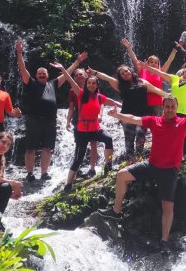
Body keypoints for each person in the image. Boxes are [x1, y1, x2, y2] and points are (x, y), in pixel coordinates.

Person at [102, 96, 186, 250]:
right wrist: (118, 115)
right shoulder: (154, 121)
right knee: (122, 175)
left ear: (176, 108)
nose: (170, 110)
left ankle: (164, 240)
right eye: (167, 107)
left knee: (167, 207)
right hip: (151, 165)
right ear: (163, 107)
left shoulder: (183, 123)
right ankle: (116, 211)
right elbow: (134, 119)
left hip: (169, 172)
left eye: (172, 107)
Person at [16, 40, 87, 182]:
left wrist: (77, 62)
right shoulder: (30, 84)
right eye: (39, 73)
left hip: (50, 120)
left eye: (44, 73)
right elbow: (23, 69)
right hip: (34, 119)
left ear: (47, 75)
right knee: (30, 148)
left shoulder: (53, 84)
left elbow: (68, 73)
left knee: (48, 148)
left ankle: (44, 173)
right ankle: (30, 173)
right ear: (36, 76)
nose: (42, 75)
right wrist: (19, 53)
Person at [53, 62, 121, 191]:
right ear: (86, 84)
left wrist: (126, 106)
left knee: (108, 139)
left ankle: (108, 164)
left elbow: (114, 102)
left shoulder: (99, 97)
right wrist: (62, 69)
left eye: (93, 83)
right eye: (89, 83)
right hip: (82, 132)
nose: (91, 85)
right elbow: (70, 80)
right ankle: (68, 183)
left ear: (97, 85)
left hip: (95, 129)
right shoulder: (80, 94)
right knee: (78, 158)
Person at [91, 65, 166, 156]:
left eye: (126, 71)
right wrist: (94, 72)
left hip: (143, 115)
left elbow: (156, 90)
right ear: (121, 77)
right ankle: (129, 159)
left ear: (130, 70)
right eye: (122, 74)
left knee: (140, 135)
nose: (125, 74)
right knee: (129, 139)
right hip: (126, 116)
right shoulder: (120, 85)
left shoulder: (142, 82)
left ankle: (138, 156)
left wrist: (169, 96)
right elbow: (107, 78)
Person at [122, 38, 176, 115]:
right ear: (148, 63)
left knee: (156, 124)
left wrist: (174, 52)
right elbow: (134, 59)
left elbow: (169, 62)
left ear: (158, 65)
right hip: (143, 102)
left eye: (155, 63)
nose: (153, 64)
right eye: (151, 62)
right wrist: (129, 48)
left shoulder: (160, 73)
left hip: (157, 104)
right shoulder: (142, 71)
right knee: (143, 125)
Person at [67, 68, 99, 177]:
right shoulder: (72, 91)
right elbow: (71, 108)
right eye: (76, 75)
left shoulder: (94, 86)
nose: (79, 76)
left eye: (81, 74)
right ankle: (76, 170)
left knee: (94, 143)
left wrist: (101, 115)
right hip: (78, 120)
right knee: (79, 145)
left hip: (92, 120)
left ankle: (92, 169)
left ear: (86, 75)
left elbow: (100, 101)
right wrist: (68, 121)